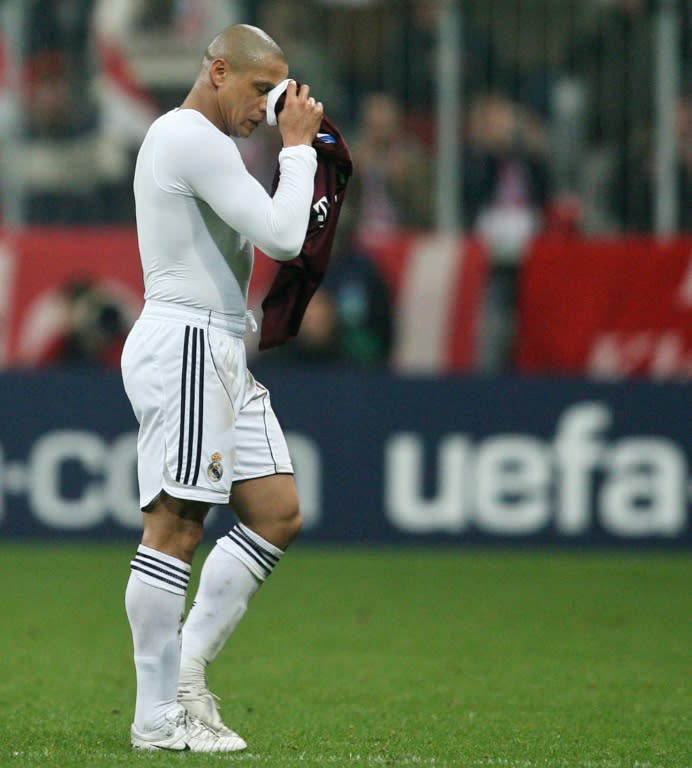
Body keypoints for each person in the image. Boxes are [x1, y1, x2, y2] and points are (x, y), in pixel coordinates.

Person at [120, 24, 323, 752]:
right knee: (174, 526)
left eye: (278, 93)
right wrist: (297, 150)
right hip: (185, 344)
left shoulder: (213, 144)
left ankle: (186, 673)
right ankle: (154, 717)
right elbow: (280, 235)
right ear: (217, 72)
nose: (269, 106)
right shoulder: (188, 137)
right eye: (260, 89)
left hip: (218, 349)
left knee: (276, 511)